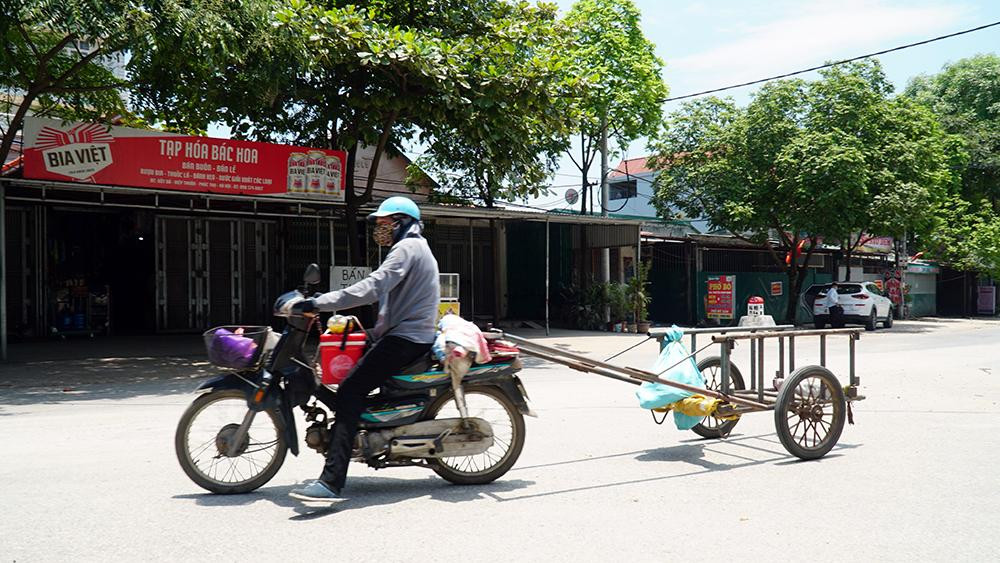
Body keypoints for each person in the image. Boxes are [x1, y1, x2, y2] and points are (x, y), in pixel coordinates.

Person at [288, 196, 440, 502]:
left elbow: (372, 287)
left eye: (385, 223)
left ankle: (331, 482)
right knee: (343, 348)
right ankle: (360, 425)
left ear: (402, 223)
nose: (379, 229)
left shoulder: (407, 248)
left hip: (407, 338)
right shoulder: (411, 247)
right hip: (401, 333)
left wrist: (319, 303)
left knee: (349, 390)